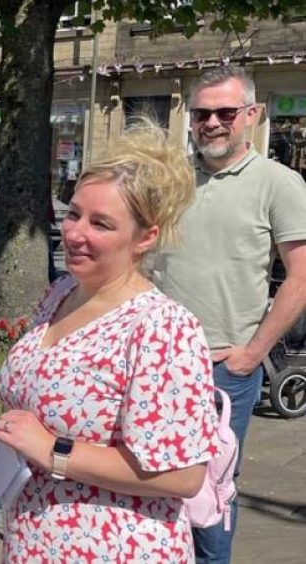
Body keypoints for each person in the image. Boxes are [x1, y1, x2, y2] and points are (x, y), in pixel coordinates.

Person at [0, 123, 221, 562]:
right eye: (74, 213)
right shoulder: (61, 293)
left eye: (101, 223)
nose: (75, 233)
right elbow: (38, 410)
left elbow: (184, 474)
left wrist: (53, 451)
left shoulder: (161, 327)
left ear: (145, 237)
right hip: (33, 538)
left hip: (115, 548)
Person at [153, 67, 306, 563]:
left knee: (211, 487)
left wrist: (254, 353)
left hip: (223, 368)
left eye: (225, 112)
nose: (212, 123)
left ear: (252, 115)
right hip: (155, 362)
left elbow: (301, 277)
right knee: (151, 474)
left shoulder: (278, 183)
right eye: (201, 113)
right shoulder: (172, 178)